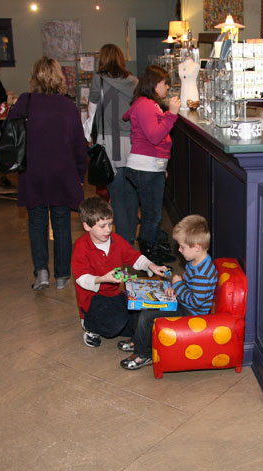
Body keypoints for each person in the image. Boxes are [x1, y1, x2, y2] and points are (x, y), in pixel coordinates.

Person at [8, 56, 88, 291]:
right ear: (59, 76)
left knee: (37, 222)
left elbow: (12, 137)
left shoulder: (24, 102)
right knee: (62, 223)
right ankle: (62, 275)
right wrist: (80, 174)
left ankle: (41, 271)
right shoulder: (67, 106)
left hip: (32, 172)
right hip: (62, 173)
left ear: (35, 77)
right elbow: (78, 146)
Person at [118, 214, 217, 370]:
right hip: (183, 303)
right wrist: (177, 286)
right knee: (142, 304)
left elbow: (195, 301)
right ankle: (139, 339)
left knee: (148, 316)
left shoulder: (204, 273)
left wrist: (177, 285)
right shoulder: (196, 261)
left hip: (191, 313)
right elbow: (188, 280)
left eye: (182, 247)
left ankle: (144, 354)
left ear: (197, 247)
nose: (179, 249)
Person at [72, 197, 168, 348]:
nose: (108, 230)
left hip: (115, 296)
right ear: (87, 226)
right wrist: (103, 278)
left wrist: (151, 265)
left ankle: (116, 321)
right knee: (114, 324)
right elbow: (81, 278)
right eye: (102, 226)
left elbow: (134, 257)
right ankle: (90, 326)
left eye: (110, 224)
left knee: (137, 321)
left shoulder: (116, 240)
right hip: (93, 301)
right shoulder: (81, 247)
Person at [122, 65, 179, 264]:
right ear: (155, 84)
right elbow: (155, 136)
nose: (167, 87)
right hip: (145, 167)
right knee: (151, 215)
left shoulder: (146, 104)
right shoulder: (146, 105)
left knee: (152, 213)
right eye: (165, 83)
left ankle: (152, 249)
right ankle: (148, 255)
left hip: (150, 166)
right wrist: (171, 114)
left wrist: (160, 168)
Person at [88, 44, 139, 245]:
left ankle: (123, 240)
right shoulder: (134, 82)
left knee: (116, 194)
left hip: (108, 144)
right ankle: (131, 237)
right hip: (132, 144)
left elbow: (91, 114)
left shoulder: (97, 80)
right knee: (132, 192)